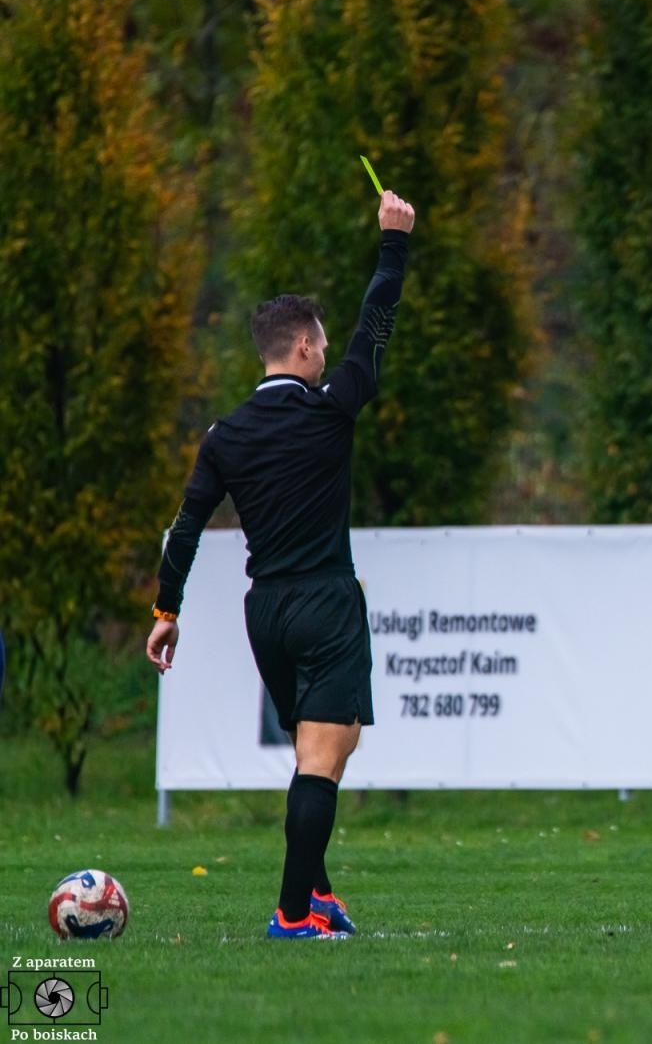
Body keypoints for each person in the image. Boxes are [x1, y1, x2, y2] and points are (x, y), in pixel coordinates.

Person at [145, 190, 416, 940]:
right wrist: (394, 244)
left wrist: (166, 612)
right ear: (301, 348)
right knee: (321, 762)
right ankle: (294, 913)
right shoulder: (329, 411)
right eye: (321, 345)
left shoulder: (224, 434)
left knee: (323, 748)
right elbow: (377, 329)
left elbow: (185, 528)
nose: (329, 352)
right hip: (326, 601)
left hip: (265, 610)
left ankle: (317, 892)